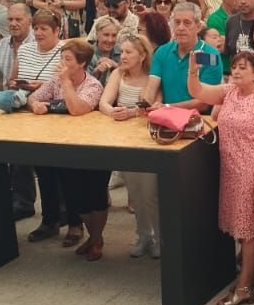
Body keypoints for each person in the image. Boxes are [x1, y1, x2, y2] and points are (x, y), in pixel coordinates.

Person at [189, 50, 254, 305]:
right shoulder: (229, 91)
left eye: (243, 68)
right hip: (230, 169)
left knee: (250, 229)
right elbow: (197, 91)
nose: (236, 71)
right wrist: (193, 68)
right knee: (245, 227)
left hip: (251, 170)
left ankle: (244, 286)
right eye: (235, 67)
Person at [28, 39, 111, 259]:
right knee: (77, 197)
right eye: (61, 58)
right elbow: (34, 96)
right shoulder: (55, 81)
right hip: (64, 145)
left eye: (67, 59)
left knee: (96, 196)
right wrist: (35, 104)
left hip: (92, 148)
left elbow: (77, 109)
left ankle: (97, 239)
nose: (62, 63)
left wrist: (65, 82)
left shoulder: (93, 85)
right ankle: (92, 238)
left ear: (82, 63)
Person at [100, 35, 160, 259]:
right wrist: (113, 111)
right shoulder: (117, 74)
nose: (122, 56)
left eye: (128, 52)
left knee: (150, 193)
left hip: (145, 138)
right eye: (121, 52)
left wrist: (133, 112)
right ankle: (142, 235)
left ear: (142, 56)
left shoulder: (152, 78)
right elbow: (104, 102)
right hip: (123, 138)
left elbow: (153, 105)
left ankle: (158, 237)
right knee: (134, 191)